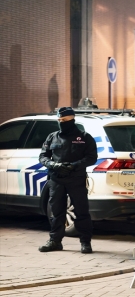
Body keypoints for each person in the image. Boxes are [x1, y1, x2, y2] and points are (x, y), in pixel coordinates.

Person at [38, 107, 97, 253]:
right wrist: (53, 164)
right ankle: (55, 241)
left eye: (64, 120)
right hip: (56, 179)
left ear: (72, 119)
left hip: (76, 179)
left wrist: (73, 166)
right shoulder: (52, 137)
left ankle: (85, 242)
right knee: (57, 212)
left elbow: (91, 157)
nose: (61, 123)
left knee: (81, 212)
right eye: (59, 120)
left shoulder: (84, 137)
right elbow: (43, 156)